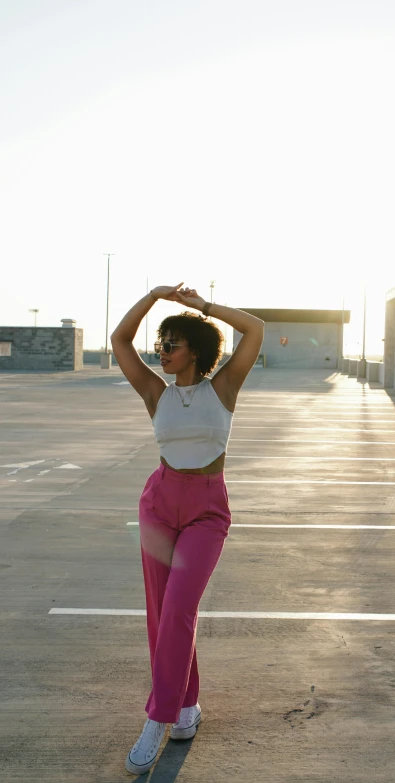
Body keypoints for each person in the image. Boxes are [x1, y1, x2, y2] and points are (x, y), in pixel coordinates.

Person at [110, 283, 264, 775]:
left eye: (171, 344)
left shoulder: (223, 387)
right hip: (159, 504)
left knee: (179, 606)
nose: (161, 351)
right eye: (161, 343)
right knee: (163, 613)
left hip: (205, 511)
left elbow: (256, 330)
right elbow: (119, 340)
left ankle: (160, 715)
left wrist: (201, 307)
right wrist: (153, 297)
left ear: (194, 351)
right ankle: (187, 707)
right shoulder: (156, 391)